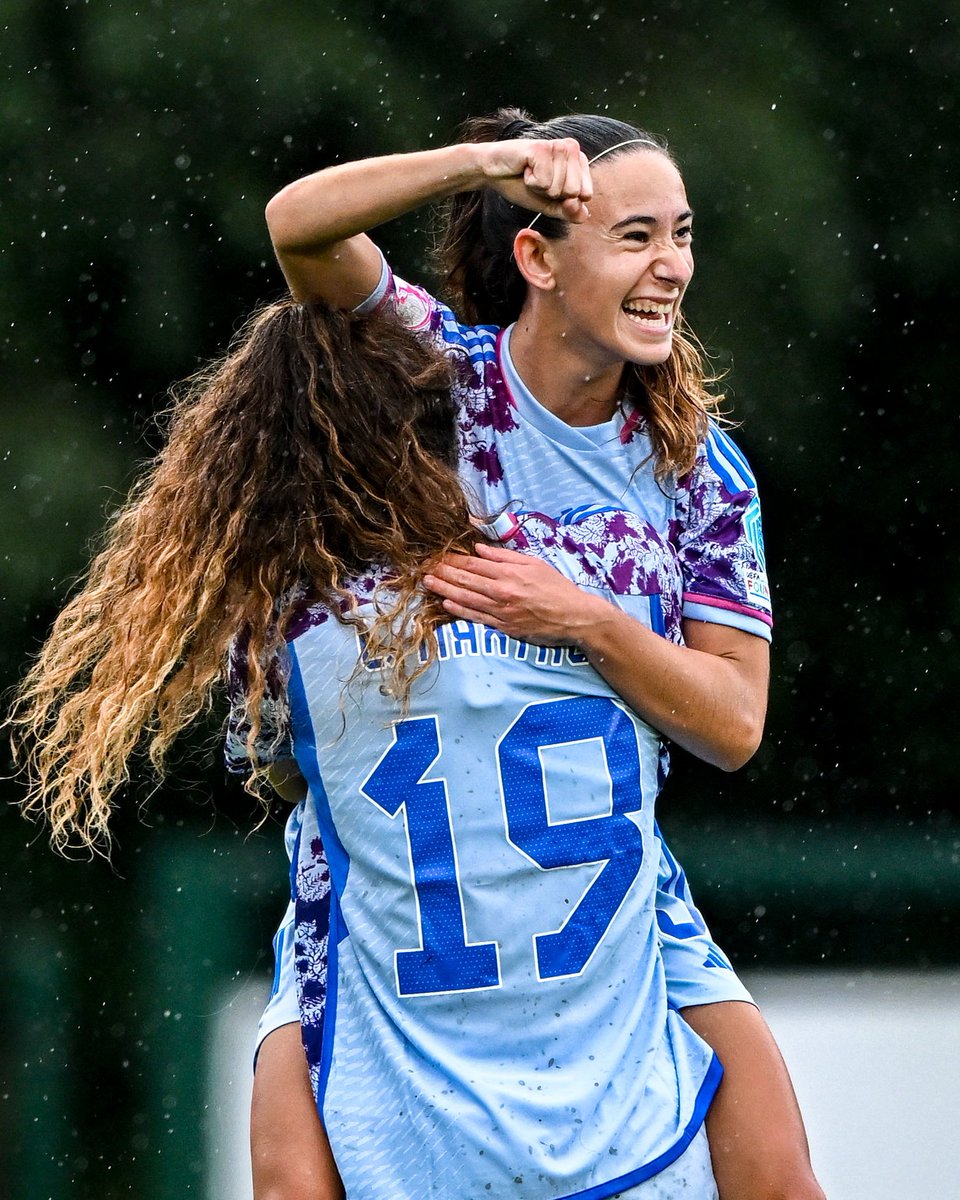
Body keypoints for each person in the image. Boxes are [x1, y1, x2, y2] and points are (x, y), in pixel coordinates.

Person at [249, 108, 824, 1199]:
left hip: (608, 935)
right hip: (398, 936)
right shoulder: (427, 384)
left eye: (683, 235)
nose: (672, 269)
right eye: (637, 237)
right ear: (538, 257)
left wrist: (587, 621)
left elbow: (734, 726)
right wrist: (483, 164)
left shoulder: (700, 477)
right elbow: (299, 229)